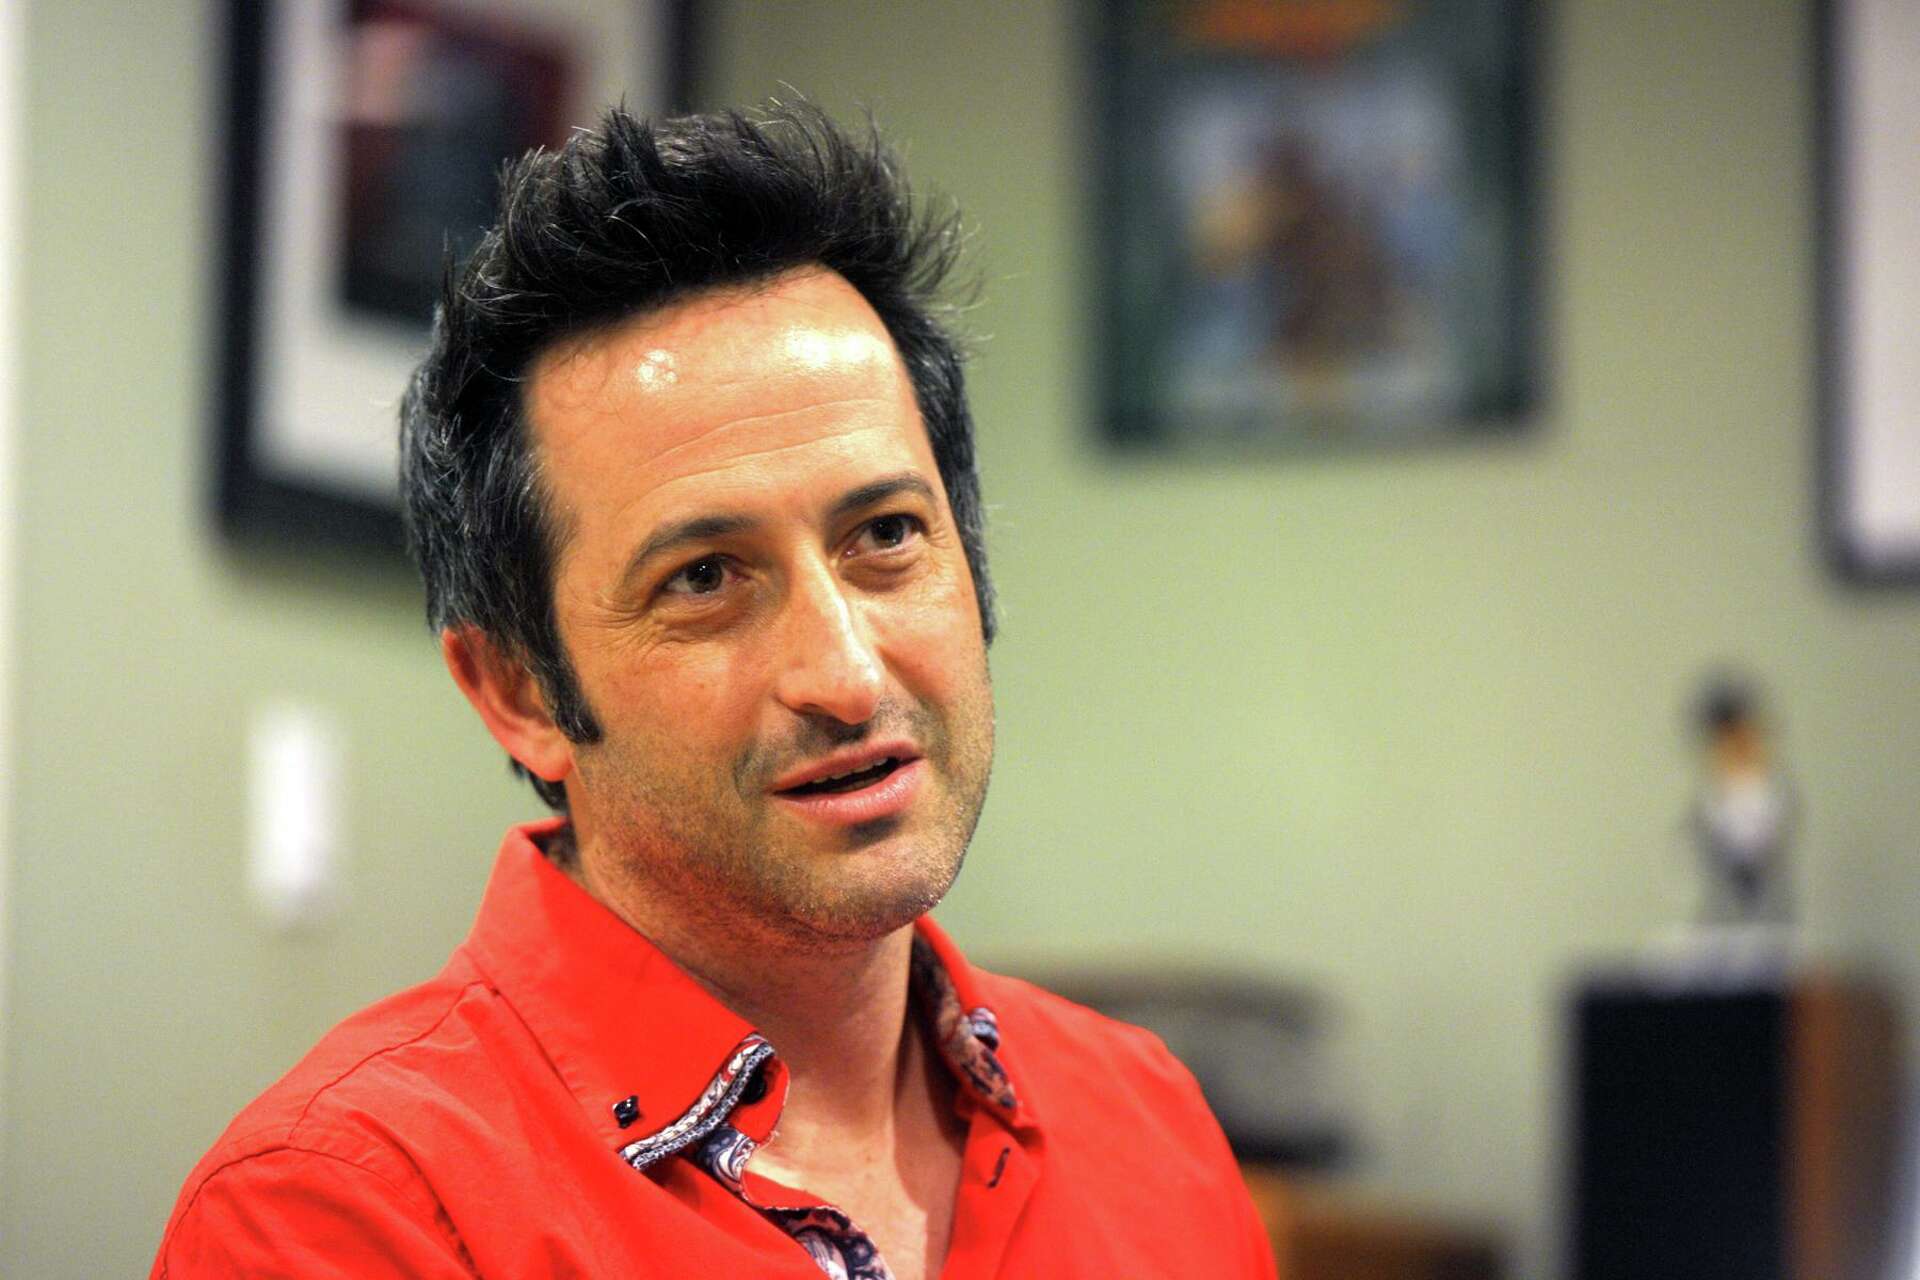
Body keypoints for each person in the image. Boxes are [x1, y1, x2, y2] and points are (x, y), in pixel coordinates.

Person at [151, 103, 1277, 1279]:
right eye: (704, 578)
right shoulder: (338, 1212)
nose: (846, 674)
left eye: (887, 533)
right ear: (518, 691)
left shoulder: (1148, 1121)